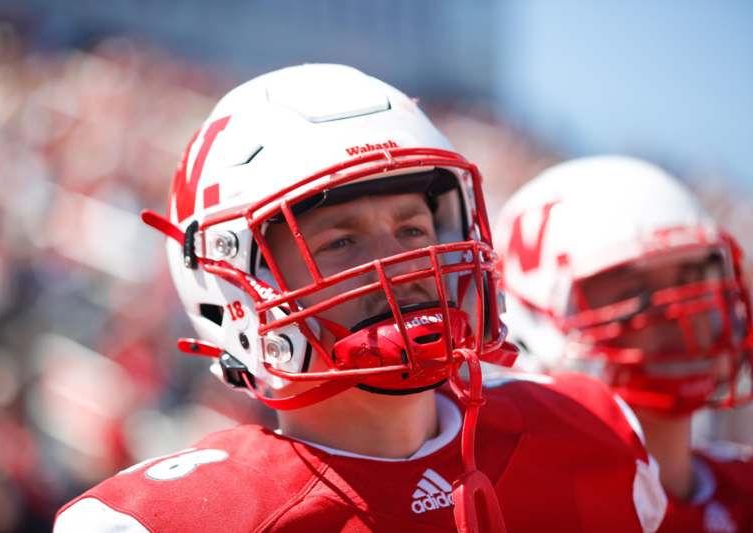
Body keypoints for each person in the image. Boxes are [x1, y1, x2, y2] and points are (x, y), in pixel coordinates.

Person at [54, 65, 665, 532]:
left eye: (412, 230)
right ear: (235, 278)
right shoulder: (169, 519)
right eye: (341, 241)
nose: (398, 266)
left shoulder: (587, 434)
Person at [495, 156, 753, 532]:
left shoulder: (742, 491)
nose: (681, 315)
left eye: (691, 277)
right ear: (532, 321)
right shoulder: (509, 507)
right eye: (635, 291)